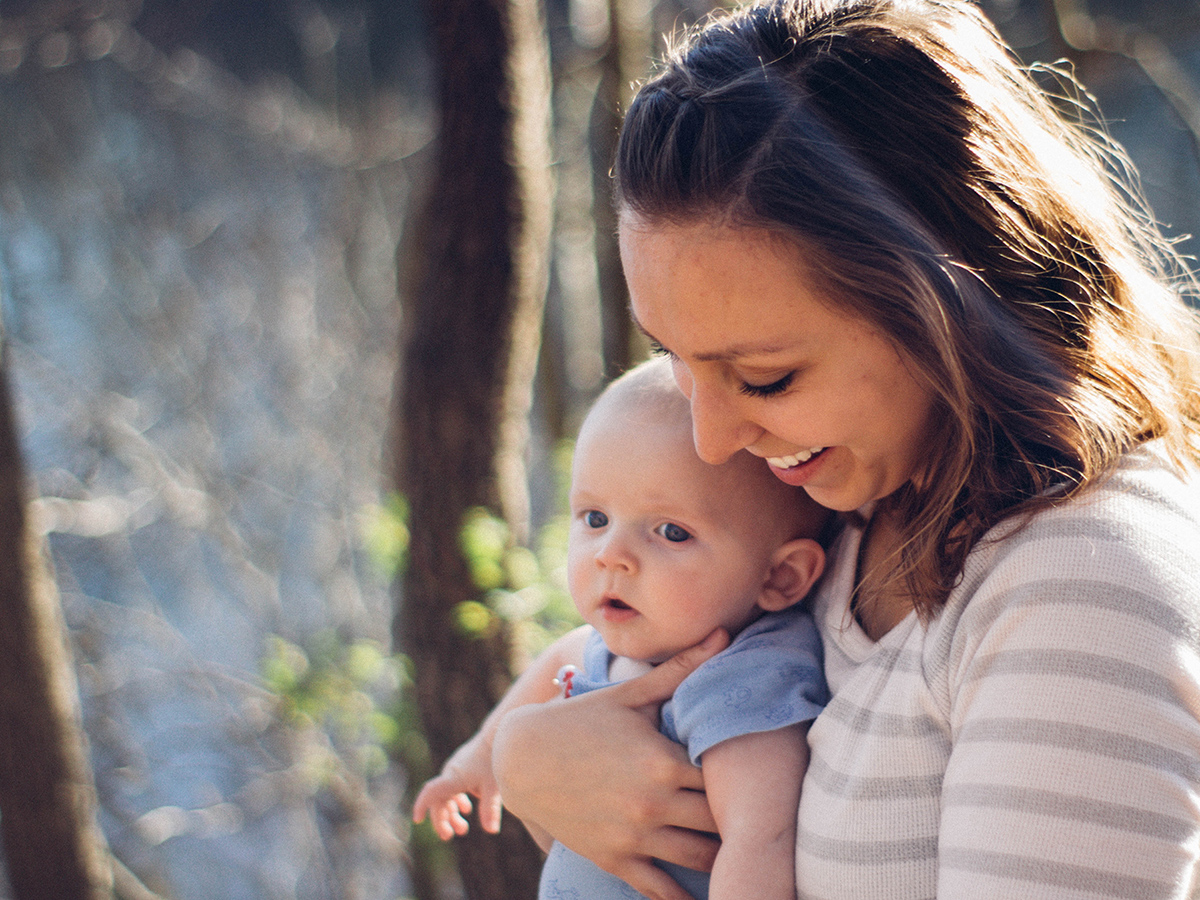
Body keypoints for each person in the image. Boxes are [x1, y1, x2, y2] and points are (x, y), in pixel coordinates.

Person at [487, 2, 1200, 899]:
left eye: (767, 377)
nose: (711, 441)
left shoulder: (1082, 589)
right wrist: (527, 753)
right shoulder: (854, 507)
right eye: (673, 357)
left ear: (950, 306)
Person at [413, 358, 831, 900]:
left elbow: (760, 842)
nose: (612, 555)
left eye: (670, 531)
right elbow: (555, 665)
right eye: (594, 518)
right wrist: (472, 761)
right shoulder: (606, 648)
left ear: (780, 576)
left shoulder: (744, 678)